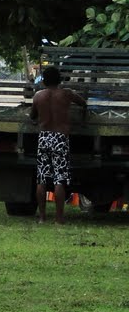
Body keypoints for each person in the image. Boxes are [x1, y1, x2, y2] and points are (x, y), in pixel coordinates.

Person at [30, 66, 87, 224]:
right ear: (59, 79)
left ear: (43, 80)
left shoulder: (38, 96)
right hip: (60, 138)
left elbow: (32, 116)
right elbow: (83, 102)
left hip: (44, 136)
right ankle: (59, 218)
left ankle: (42, 218)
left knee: (41, 178)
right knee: (59, 179)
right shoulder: (66, 94)